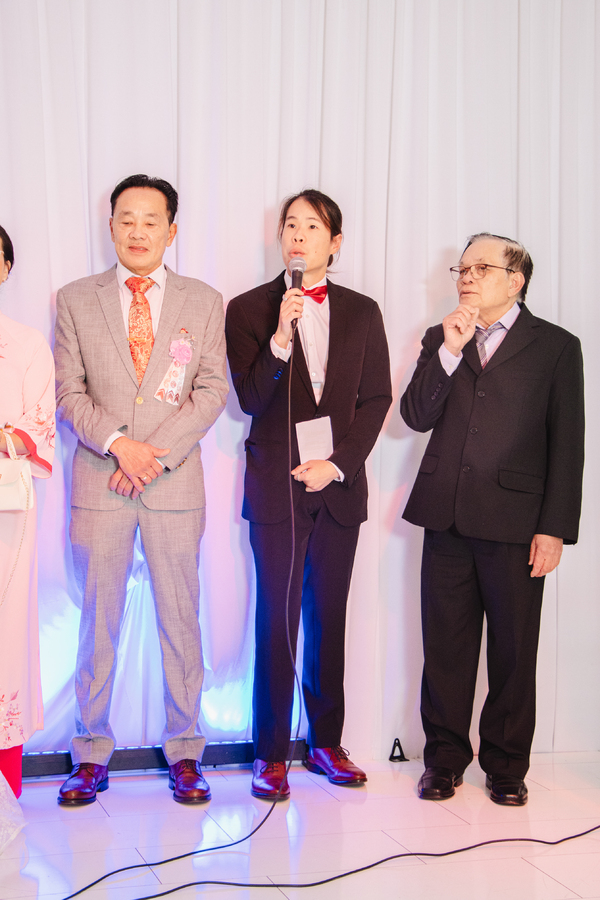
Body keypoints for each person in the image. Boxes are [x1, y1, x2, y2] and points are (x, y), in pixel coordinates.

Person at [54, 175, 228, 805]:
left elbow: (211, 389)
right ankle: (90, 752)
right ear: (110, 226)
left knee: (181, 617)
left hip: (173, 484)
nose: (137, 231)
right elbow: (69, 392)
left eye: (151, 220)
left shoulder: (204, 302)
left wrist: (152, 455)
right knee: (97, 620)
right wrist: (119, 445)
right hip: (100, 479)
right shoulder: (75, 299)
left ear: (171, 230)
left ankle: (186, 751)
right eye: (126, 218)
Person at [401, 233, 584, 806]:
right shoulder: (442, 337)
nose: (467, 277)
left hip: (517, 523)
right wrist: (450, 351)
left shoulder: (556, 346)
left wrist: (555, 527)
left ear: (516, 280)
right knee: (446, 650)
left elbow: (568, 444)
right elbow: (415, 415)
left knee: (513, 651)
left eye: (482, 267)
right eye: (463, 268)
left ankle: (506, 766)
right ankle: (443, 760)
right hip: (446, 516)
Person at [226, 189, 392, 800]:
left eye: (313, 226)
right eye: (290, 225)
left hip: (337, 487)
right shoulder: (249, 308)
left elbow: (376, 398)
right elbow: (250, 399)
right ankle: (270, 752)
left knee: (329, 618)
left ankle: (326, 742)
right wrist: (279, 337)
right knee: (277, 618)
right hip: (278, 487)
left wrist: (339, 464)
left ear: (335, 242)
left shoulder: (363, 311)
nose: (298, 235)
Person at [0, 225, 55, 799]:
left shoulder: (27, 344)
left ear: (6, 268)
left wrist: (5, 436)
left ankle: (6, 790)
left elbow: (36, 431)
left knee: (5, 637)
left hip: (7, 513)